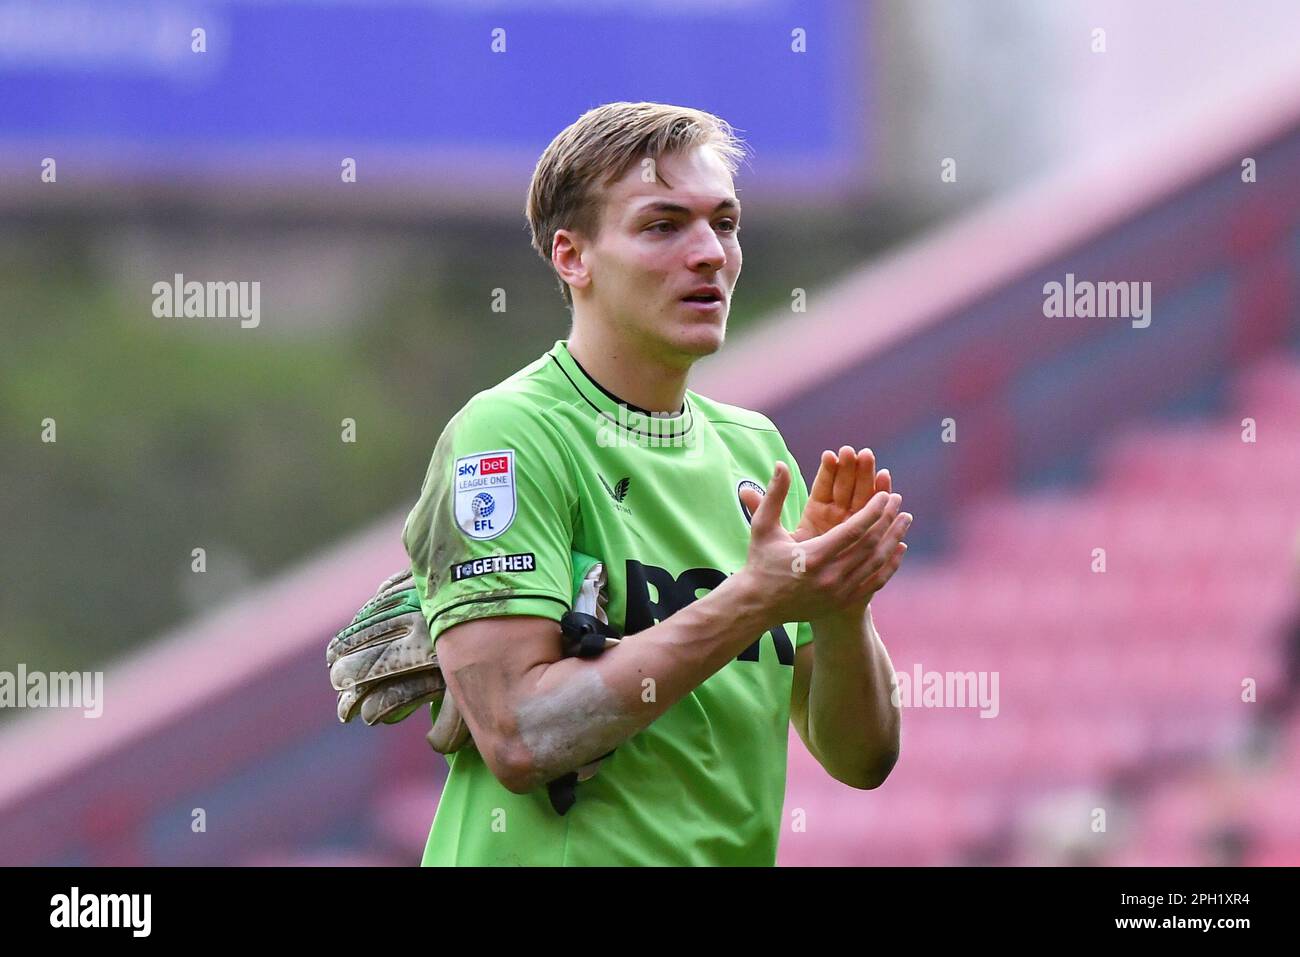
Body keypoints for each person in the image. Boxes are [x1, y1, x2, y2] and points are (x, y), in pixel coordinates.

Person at [402, 101, 911, 866]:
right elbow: (519, 734)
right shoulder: (508, 435)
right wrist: (757, 598)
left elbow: (862, 759)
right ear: (573, 257)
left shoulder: (755, 449)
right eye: (663, 225)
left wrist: (839, 606)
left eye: (725, 223)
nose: (709, 253)